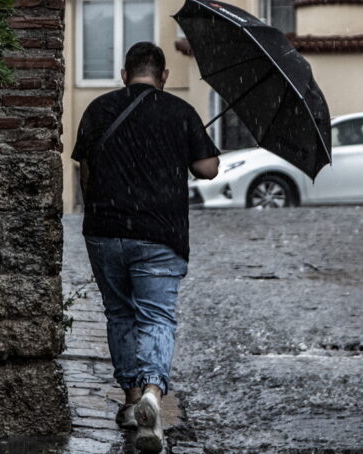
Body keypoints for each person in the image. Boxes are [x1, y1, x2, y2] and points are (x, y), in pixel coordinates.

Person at [72, 42, 219, 452]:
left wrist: (97, 215)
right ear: (164, 76)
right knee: (155, 316)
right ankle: (153, 393)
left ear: (124, 74)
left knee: (120, 314)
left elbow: (85, 171)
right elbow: (208, 168)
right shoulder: (180, 112)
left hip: (105, 231)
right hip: (160, 234)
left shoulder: (99, 110)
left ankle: (132, 400)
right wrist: (194, 145)